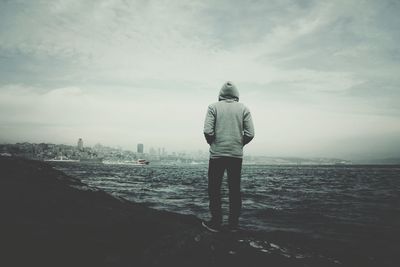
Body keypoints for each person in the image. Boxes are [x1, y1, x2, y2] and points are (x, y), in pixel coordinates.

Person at [202, 81, 255, 232]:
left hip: (217, 155)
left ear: (221, 94)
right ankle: (233, 225)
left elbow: (207, 131)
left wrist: (212, 143)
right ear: (236, 94)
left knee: (214, 188)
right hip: (235, 156)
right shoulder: (244, 108)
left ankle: (216, 223)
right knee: (234, 190)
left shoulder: (213, 107)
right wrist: (239, 144)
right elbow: (251, 134)